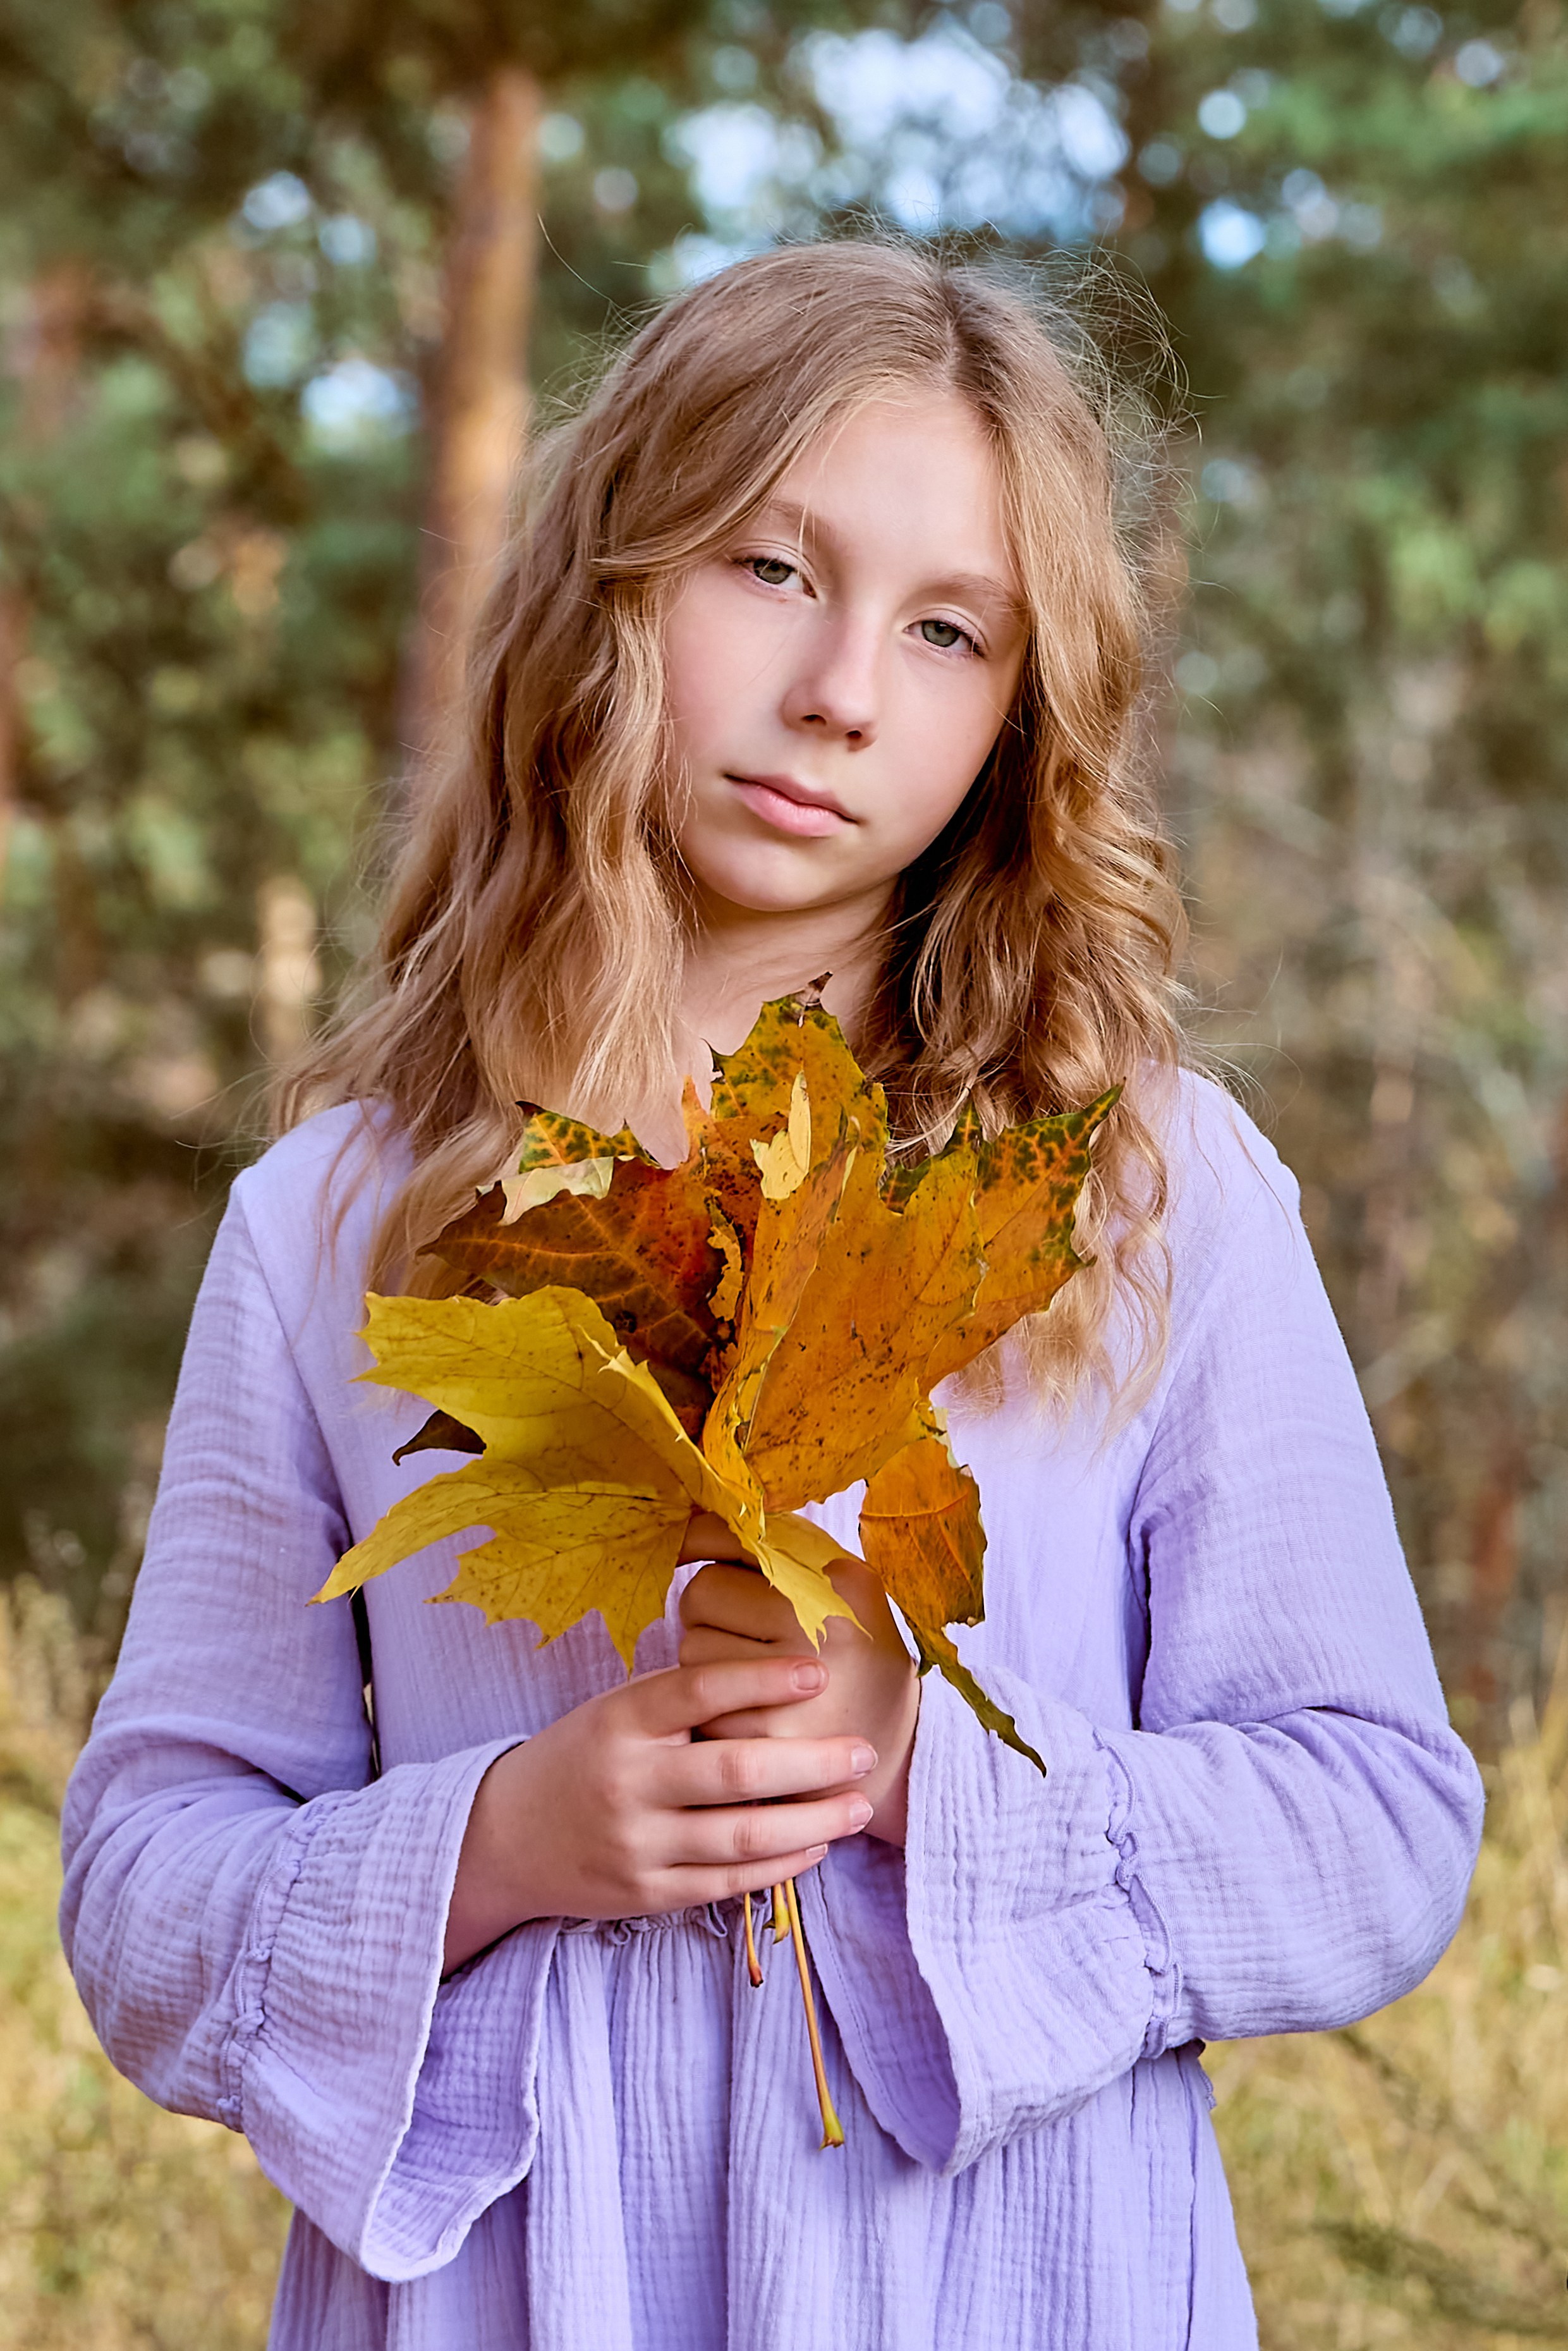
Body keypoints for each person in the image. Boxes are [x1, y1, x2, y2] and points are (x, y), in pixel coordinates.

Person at [60, 239, 1482, 2351]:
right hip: (525, 2296)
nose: (842, 691)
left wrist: (930, 1767)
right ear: (609, 581)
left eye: (946, 633)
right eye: (768, 569)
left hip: (1013, 2284)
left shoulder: (1141, 1193)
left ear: (1020, 715)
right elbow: (146, 1890)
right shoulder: (340, 1221)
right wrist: (497, 1843)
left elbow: (1376, 1827)